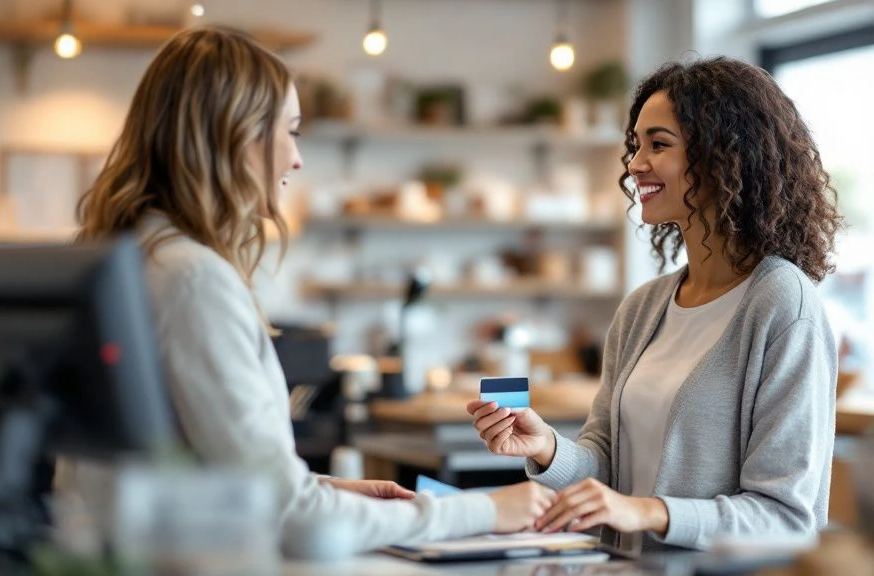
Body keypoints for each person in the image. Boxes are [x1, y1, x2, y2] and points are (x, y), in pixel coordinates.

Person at [69, 26, 553, 555]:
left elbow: (202, 476)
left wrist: (326, 491)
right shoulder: (194, 280)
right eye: (292, 131)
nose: (297, 160)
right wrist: (484, 510)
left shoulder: (133, 258)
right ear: (239, 136)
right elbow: (289, 518)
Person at [468, 56, 842, 553]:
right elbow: (606, 463)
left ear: (723, 155)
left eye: (659, 145)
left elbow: (786, 517)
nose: (635, 163)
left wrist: (648, 510)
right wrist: (546, 447)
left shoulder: (783, 305)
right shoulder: (644, 308)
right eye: (636, 145)